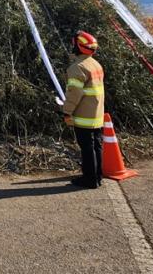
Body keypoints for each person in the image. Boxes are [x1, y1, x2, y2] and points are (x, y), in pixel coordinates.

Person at [62, 30, 105, 189]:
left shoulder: (77, 68)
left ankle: (90, 179)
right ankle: (97, 176)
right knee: (96, 147)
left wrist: (67, 111)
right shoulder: (95, 64)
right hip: (97, 115)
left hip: (84, 116)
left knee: (87, 149)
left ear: (79, 47)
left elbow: (74, 93)